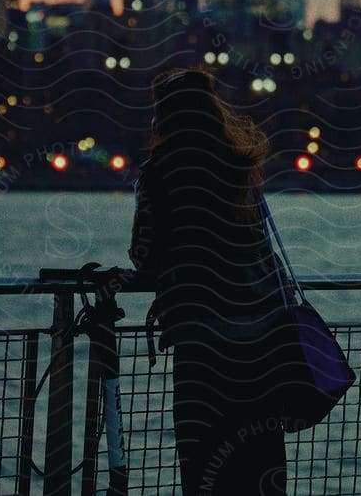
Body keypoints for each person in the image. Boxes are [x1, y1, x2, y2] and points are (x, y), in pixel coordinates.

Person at [130, 68, 289, 494]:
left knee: (203, 464)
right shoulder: (240, 167)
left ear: (162, 119)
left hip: (202, 342)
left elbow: (145, 253)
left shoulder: (160, 173)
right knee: (260, 466)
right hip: (261, 341)